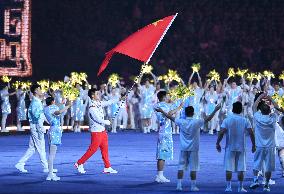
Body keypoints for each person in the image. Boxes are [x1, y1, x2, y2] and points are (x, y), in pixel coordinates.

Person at [156, 103, 221, 191]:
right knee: (193, 168)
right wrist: (216, 110)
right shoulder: (196, 122)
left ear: (185, 113)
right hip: (194, 149)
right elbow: (208, 118)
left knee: (181, 167)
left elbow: (169, 117)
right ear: (193, 113)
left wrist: (161, 111)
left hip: (183, 148)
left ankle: (179, 185)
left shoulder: (181, 121)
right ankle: (193, 186)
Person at [74, 88, 124, 174]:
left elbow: (109, 102)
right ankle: (79, 163)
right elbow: (97, 119)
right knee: (92, 150)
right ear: (92, 96)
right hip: (96, 132)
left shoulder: (99, 103)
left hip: (103, 131)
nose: (99, 95)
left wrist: (119, 99)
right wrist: (107, 122)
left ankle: (107, 167)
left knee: (105, 150)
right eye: (97, 94)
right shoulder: (92, 107)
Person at [216, 101, 256, 192]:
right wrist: (254, 145)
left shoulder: (227, 120)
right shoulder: (245, 120)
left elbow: (221, 132)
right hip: (241, 147)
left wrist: (217, 143)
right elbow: (251, 133)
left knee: (228, 167)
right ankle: (240, 187)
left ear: (232, 109)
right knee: (241, 168)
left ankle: (228, 187)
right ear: (241, 110)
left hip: (229, 147)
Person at [249, 93, 284, 192]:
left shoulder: (257, 117)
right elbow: (279, 109)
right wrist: (271, 99)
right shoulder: (273, 118)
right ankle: (267, 185)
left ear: (260, 111)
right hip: (270, 147)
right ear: (269, 111)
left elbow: (254, 106)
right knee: (268, 166)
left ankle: (255, 180)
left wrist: (260, 97)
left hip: (259, 146)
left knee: (257, 163)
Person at [15, 84, 49, 173]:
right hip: (36, 128)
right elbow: (36, 118)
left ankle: (20, 163)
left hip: (37, 127)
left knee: (32, 148)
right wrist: (41, 128)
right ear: (36, 91)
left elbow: (41, 115)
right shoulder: (35, 103)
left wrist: (49, 122)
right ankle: (46, 168)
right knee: (41, 147)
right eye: (40, 89)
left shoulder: (38, 102)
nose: (41, 91)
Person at [154, 90, 184, 183]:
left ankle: (160, 174)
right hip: (164, 132)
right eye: (167, 96)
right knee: (162, 153)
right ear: (163, 97)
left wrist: (180, 97)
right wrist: (179, 107)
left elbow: (173, 105)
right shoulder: (160, 106)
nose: (169, 97)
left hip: (166, 131)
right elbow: (169, 114)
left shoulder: (163, 105)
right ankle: (159, 175)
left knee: (163, 153)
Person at [44, 97, 71, 181]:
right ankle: (50, 174)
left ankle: (50, 173)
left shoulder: (45, 109)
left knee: (51, 154)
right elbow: (58, 112)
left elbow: (57, 106)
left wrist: (63, 103)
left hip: (51, 130)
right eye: (54, 101)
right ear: (52, 102)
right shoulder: (53, 108)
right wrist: (68, 106)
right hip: (55, 131)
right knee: (52, 154)